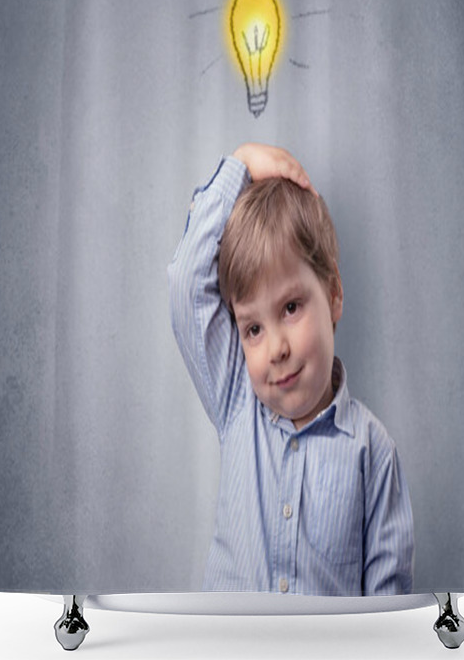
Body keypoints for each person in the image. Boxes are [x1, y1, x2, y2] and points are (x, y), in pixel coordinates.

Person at [168, 142, 414, 596]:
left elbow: (387, 608)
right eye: (253, 329)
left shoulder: (373, 451)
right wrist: (241, 163)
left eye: (292, 307)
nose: (276, 349)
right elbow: (186, 285)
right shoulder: (236, 400)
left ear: (334, 294)